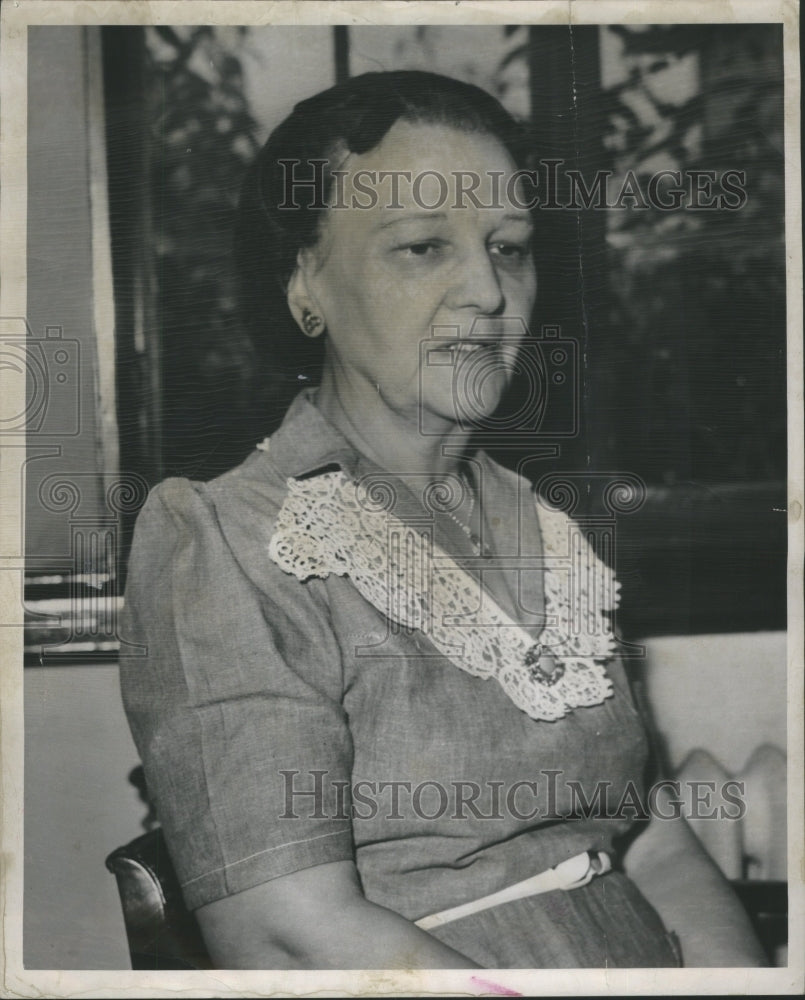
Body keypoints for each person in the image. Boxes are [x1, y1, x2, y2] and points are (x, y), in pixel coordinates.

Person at [119, 70, 766, 969]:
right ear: (303, 283)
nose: (487, 292)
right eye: (422, 247)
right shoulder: (226, 541)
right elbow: (290, 935)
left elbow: (646, 839)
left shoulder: (549, 530)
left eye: (509, 247)